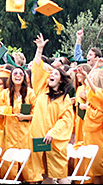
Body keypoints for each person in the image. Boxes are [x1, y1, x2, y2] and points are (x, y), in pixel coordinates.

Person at [28, 33, 74, 184]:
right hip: (40, 138)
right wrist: (40, 49)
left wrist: (52, 133)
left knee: (60, 175)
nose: (50, 76)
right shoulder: (42, 90)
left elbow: (66, 121)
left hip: (54, 141)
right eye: (50, 74)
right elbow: (37, 68)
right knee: (45, 174)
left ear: (61, 80)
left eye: (55, 74)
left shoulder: (64, 99)